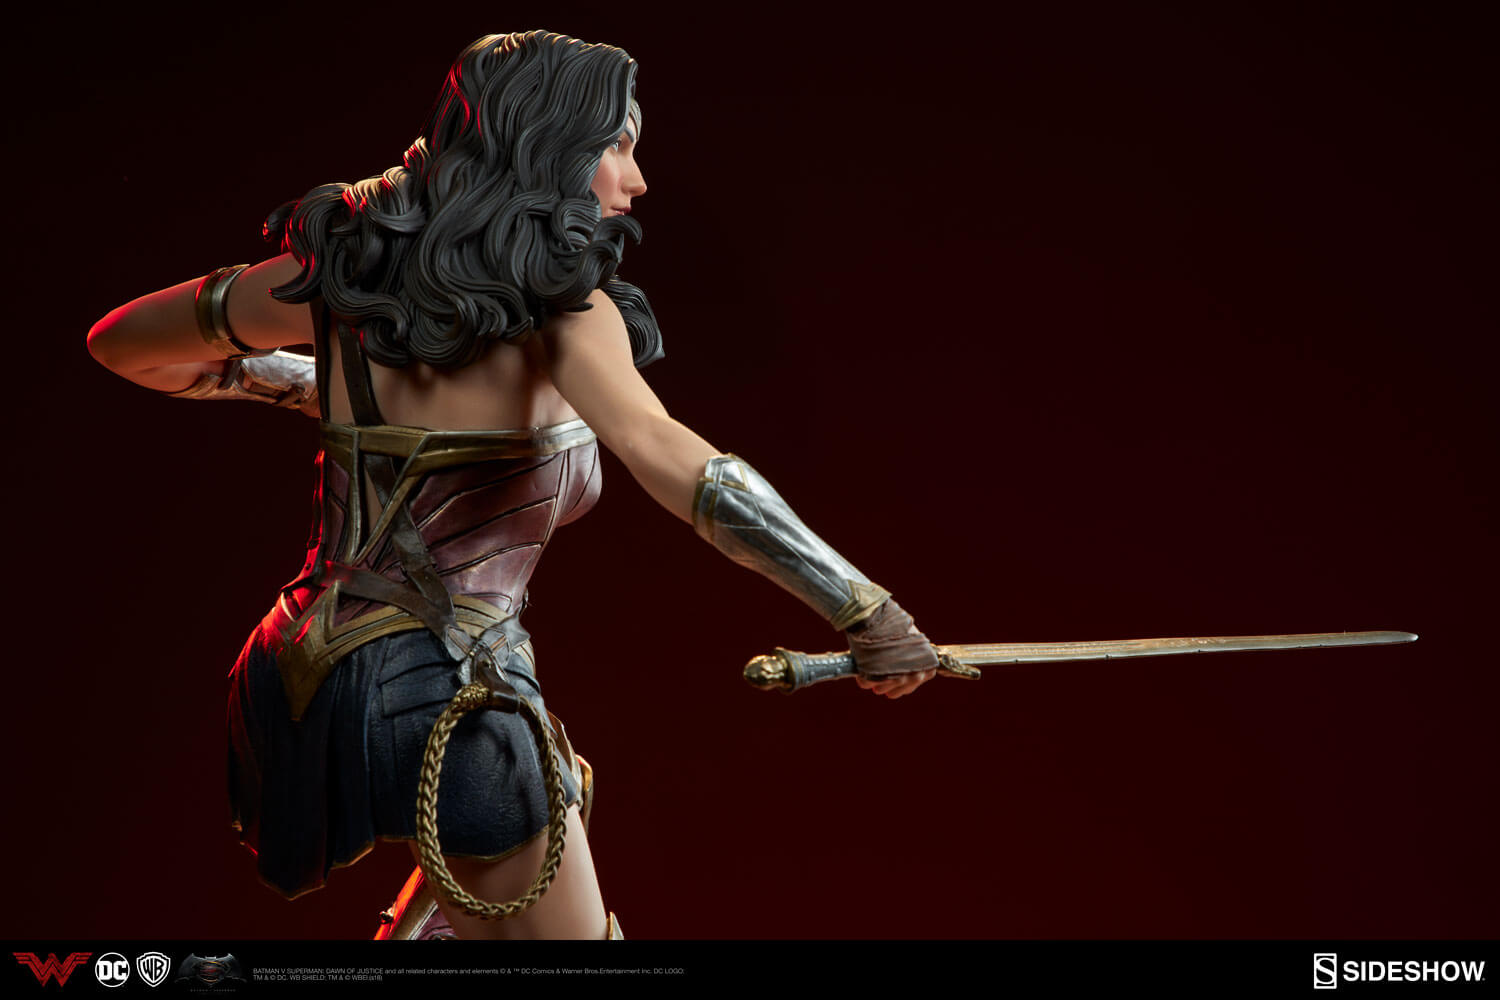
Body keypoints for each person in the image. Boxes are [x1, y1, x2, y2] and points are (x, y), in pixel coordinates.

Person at [86, 30, 940, 941]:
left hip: (296, 677)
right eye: (616, 144)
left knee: (517, 855)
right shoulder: (564, 314)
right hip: (450, 696)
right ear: (548, 146)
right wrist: (865, 610)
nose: (635, 178)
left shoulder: (337, 275)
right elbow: (671, 454)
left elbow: (124, 345)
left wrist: (315, 387)